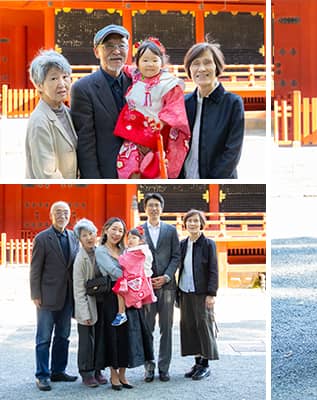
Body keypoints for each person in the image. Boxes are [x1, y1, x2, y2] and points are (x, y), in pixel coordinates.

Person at [114, 38, 190, 179]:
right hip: (134, 132)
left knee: (155, 168)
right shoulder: (137, 75)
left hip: (155, 132)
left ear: (162, 62)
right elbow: (125, 68)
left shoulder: (169, 83)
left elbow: (175, 107)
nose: (150, 64)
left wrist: (162, 122)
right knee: (128, 165)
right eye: (145, 60)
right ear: (138, 63)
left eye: (154, 60)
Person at [95, 218, 154, 390]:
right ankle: (113, 375)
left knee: (128, 336)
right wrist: (133, 274)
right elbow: (113, 272)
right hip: (112, 298)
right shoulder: (101, 251)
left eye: (120, 231)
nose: (117, 234)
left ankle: (122, 374)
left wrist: (135, 275)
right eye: (114, 229)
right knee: (113, 336)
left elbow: (142, 264)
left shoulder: (125, 249)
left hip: (130, 296)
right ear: (106, 229)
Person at [29, 201, 79, 391]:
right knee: (43, 337)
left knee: (63, 335)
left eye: (65, 212)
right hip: (47, 296)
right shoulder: (42, 238)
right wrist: (35, 294)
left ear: (69, 215)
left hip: (67, 296)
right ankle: (42, 375)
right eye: (58, 212)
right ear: (51, 215)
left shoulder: (73, 236)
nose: (62, 215)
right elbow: (35, 269)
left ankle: (58, 370)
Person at [70, 24, 131, 178]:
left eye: (121, 46)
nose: (116, 51)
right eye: (109, 46)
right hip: (106, 173)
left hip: (136, 173)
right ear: (97, 52)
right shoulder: (83, 89)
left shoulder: (137, 83)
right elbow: (85, 144)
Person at [181, 42, 245, 178]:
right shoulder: (184, 103)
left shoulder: (232, 103)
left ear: (217, 67)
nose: (202, 69)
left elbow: (232, 152)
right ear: (189, 70)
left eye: (207, 62)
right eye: (196, 63)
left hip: (218, 179)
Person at [141, 193, 180, 382]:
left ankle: (164, 367)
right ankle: (148, 367)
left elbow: (176, 256)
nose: (154, 208)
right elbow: (133, 257)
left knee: (166, 327)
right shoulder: (138, 231)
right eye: (150, 205)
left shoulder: (171, 230)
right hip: (147, 287)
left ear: (161, 208)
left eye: (157, 205)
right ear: (145, 208)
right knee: (147, 328)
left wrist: (166, 276)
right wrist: (147, 279)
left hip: (167, 287)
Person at [178, 210, 219, 380]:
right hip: (185, 291)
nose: (193, 224)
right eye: (189, 221)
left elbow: (213, 270)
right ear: (185, 224)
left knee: (204, 325)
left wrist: (211, 293)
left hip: (202, 292)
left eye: (196, 221)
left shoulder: (209, 244)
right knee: (189, 326)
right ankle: (197, 362)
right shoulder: (182, 244)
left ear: (201, 223)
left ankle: (205, 364)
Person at [25, 50, 78, 179]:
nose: (62, 84)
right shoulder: (39, 122)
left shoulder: (66, 111)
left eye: (65, 77)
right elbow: (47, 174)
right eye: (54, 78)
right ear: (40, 85)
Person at [72, 218, 108, 387]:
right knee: (87, 340)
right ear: (79, 239)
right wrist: (84, 313)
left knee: (100, 337)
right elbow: (78, 290)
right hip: (87, 303)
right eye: (84, 235)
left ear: (97, 234)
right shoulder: (80, 259)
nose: (89, 238)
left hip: (102, 301)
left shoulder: (102, 251)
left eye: (91, 233)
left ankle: (98, 369)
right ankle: (86, 372)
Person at [111, 228, 156, 326]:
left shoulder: (139, 252)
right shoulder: (137, 251)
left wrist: (116, 257)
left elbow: (126, 262)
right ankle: (121, 313)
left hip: (135, 278)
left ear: (141, 240)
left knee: (121, 291)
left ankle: (121, 313)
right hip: (136, 278)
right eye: (129, 238)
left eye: (134, 238)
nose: (130, 240)